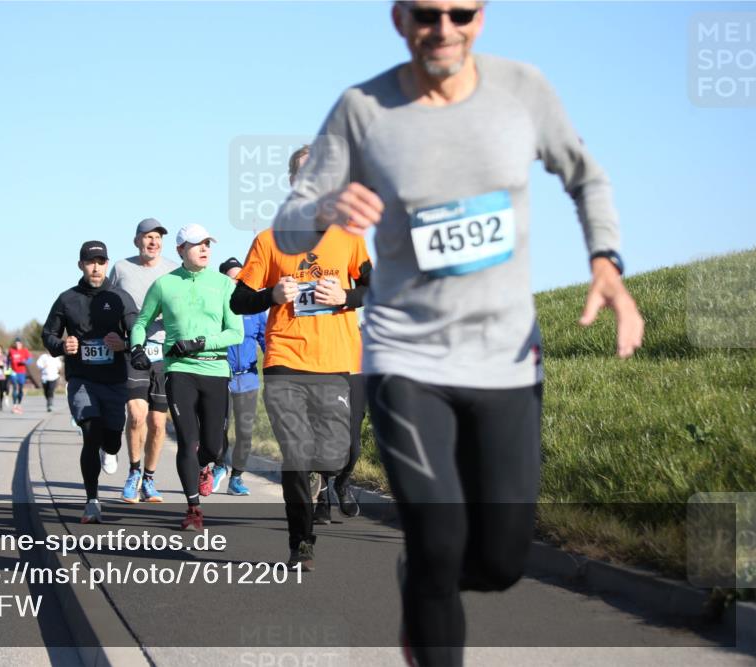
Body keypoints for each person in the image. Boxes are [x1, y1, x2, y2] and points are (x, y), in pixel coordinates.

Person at [271, 3, 645, 664]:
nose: (444, 28)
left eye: (460, 12)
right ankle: (431, 581)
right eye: (427, 14)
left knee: (501, 559)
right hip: (405, 357)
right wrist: (326, 204)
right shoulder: (363, 109)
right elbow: (289, 224)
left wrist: (605, 258)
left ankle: (423, 578)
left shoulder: (521, 90)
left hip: (505, 358)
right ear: (399, 19)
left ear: (481, 17)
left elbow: (585, 175)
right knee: (438, 539)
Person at [232, 160, 372, 570]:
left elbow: (375, 286)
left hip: (336, 361)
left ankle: (329, 479)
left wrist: (344, 295)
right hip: (285, 359)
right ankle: (301, 541)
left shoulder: (348, 237)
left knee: (333, 455)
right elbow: (239, 301)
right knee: (295, 453)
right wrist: (272, 294)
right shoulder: (269, 240)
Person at [130, 224, 242, 531]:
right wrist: (136, 346)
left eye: (208, 243)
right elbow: (141, 322)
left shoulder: (224, 284)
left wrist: (202, 342)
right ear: (180, 250)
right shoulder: (164, 285)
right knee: (187, 440)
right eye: (197, 244)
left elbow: (236, 332)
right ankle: (193, 508)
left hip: (215, 369)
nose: (204, 249)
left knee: (213, 447)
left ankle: (205, 465)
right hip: (180, 371)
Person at [42, 241, 138, 523]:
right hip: (82, 379)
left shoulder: (120, 297)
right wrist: (63, 344)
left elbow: (137, 333)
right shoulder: (67, 299)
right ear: (81, 265)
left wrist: (124, 343)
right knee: (90, 431)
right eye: (90, 262)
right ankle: (92, 501)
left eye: (101, 261)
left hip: (114, 381)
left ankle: (110, 450)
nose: (96, 267)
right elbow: (48, 335)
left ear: (107, 264)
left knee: (111, 441)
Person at [109, 218, 178, 502]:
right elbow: (108, 306)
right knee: (137, 415)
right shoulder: (121, 268)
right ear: (137, 240)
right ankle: (133, 472)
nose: (153, 242)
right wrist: (112, 335)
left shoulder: (175, 270)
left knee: (158, 424)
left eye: (158, 237)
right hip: (131, 350)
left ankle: (149, 478)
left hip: (164, 353)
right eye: (148, 237)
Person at [212, 257, 266, 496]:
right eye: (231, 277)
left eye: (240, 277)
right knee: (217, 428)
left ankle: (236, 478)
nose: (236, 281)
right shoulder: (213, 309)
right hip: (220, 377)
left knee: (244, 432)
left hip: (248, 380)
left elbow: (266, 341)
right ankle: (218, 466)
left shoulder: (254, 311)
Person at [7, 337, 31, 413]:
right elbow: (8, 359)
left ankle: (19, 404)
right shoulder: (11, 350)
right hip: (13, 372)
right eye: (16, 343)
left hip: (21, 372)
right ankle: (14, 406)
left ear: (21, 344)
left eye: (19, 343)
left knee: (20, 388)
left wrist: (25, 362)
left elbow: (30, 360)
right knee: (14, 387)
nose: (17, 345)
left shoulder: (25, 351)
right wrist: (7, 367)